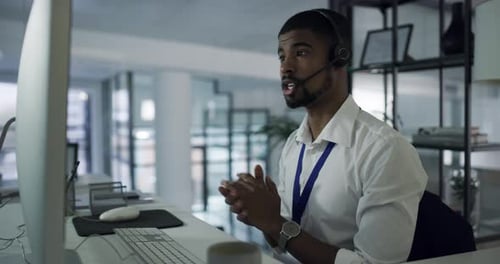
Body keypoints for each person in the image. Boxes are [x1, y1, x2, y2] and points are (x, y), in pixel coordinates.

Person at [219, 8, 428, 264]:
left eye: (301, 52)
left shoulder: (385, 150)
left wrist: (275, 222)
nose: (286, 67)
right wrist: (262, 215)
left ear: (339, 58)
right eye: (282, 56)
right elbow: (282, 240)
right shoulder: (293, 144)